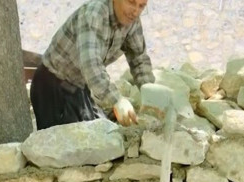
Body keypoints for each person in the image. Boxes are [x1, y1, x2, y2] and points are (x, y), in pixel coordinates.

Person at [30, 0, 154, 130]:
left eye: (141, 6)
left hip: (80, 87)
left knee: (103, 133)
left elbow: (139, 59)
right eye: (131, 2)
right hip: (52, 86)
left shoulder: (132, 21)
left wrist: (151, 93)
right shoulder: (94, 14)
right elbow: (91, 65)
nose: (135, 11)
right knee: (66, 146)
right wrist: (117, 101)